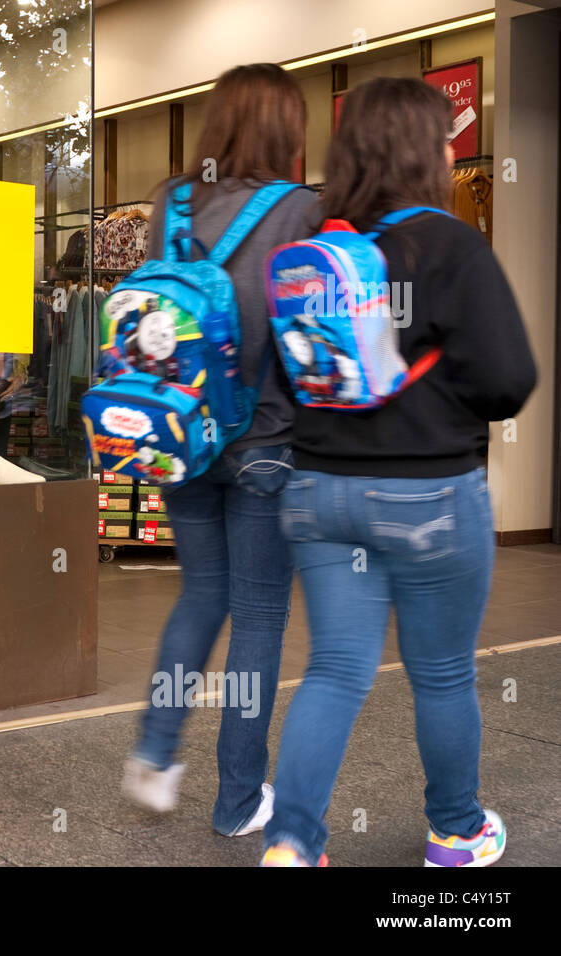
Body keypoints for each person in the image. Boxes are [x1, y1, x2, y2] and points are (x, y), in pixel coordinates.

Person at [261, 77, 536, 867]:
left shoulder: (313, 248)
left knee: (336, 670)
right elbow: (508, 380)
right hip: (430, 497)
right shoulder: (453, 246)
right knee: (444, 675)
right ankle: (455, 832)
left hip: (315, 494)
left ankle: (291, 844)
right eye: (447, 141)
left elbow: (284, 380)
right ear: (428, 151)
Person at [121, 63, 318, 837]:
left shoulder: (172, 201)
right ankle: (239, 801)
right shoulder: (302, 210)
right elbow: (308, 336)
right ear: (285, 129)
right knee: (260, 617)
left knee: (201, 596)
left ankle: (154, 753)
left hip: (180, 436)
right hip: (267, 441)